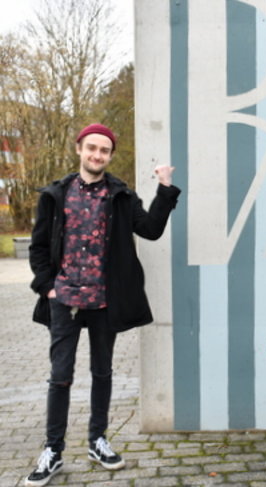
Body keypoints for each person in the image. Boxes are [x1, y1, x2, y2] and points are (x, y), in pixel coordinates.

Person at [26, 123, 181, 487]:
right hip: (64, 299)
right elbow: (38, 247)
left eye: (104, 150)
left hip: (103, 300)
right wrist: (47, 287)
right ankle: (53, 450)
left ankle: (97, 440)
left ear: (109, 156)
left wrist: (164, 188)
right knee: (60, 376)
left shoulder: (121, 195)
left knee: (102, 373)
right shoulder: (55, 194)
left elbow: (151, 229)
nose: (97, 155)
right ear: (79, 149)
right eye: (92, 148)